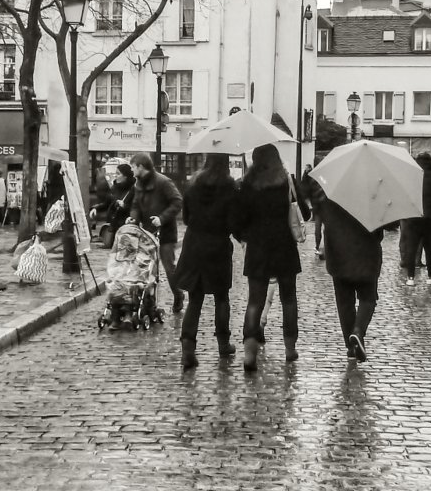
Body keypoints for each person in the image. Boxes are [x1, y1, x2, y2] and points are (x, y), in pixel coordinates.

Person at [233, 143, 302, 371]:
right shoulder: (287, 181)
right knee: (289, 299)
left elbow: (239, 220)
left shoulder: (247, 185)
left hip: (258, 247)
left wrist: (244, 236)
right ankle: (290, 349)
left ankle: (249, 354)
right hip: (284, 246)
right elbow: (306, 213)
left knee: (255, 301)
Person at [172, 154, 239, 368]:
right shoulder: (229, 188)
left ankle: (187, 350)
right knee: (221, 297)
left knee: (195, 299)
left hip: (194, 245)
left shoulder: (194, 185)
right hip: (217, 246)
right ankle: (223, 344)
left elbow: (185, 217)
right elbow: (233, 221)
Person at [322, 197, 384, 362]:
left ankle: (351, 347)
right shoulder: (373, 197)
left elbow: (326, 225)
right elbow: (380, 230)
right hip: (366, 256)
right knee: (368, 299)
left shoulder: (332, 197)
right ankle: (358, 331)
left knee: (344, 303)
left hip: (339, 256)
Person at [127, 153, 184, 312]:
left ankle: (178, 294)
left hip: (165, 232)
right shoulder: (138, 184)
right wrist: (133, 218)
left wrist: (162, 218)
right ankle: (149, 304)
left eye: (132, 167)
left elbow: (177, 201)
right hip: (146, 233)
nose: (131, 170)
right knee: (148, 269)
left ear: (140, 166)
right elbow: (135, 205)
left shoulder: (164, 182)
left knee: (168, 267)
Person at [401, 153, 431, 284]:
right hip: (430, 217)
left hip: (413, 216)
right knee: (429, 248)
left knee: (412, 247)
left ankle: (410, 277)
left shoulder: (410, 177)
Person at [301, 165, 326, 259]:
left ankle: (320, 247)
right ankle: (318, 246)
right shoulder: (315, 180)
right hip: (320, 208)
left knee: (321, 229)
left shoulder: (318, 179)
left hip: (321, 208)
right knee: (318, 229)